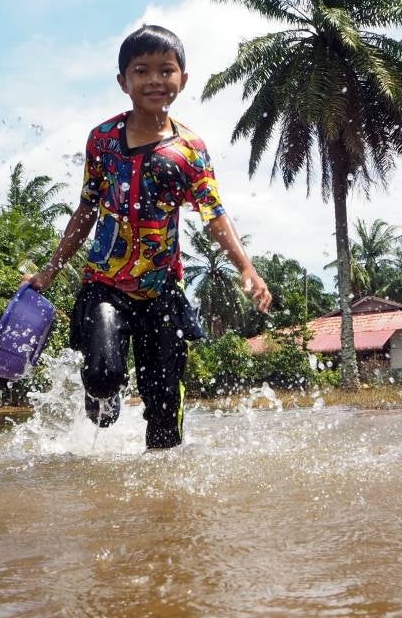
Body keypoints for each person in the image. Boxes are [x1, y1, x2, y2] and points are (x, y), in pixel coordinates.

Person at [27, 24, 272, 449]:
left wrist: (246, 267)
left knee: (164, 418)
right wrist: (50, 271)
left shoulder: (190, 149)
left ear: (183, 79)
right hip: (105, 285)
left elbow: (214, 213)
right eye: (142, 71)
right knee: (103, 378)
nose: (155, 81)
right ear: (123, 81)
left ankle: (163, 507)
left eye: (166, 70)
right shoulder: (102, 140)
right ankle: (100, 398)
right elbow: (86, 206)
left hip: (163, 292)